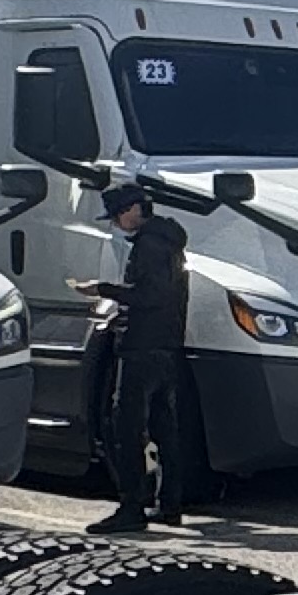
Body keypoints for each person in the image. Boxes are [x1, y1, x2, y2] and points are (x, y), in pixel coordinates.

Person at [82, 176, 194, 534]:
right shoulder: (170, 242)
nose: (117, 223)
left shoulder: (148, 245)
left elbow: (148, 296)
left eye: (118, 215)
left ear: (133, 209)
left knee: (126, 428)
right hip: (167, 347)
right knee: (165, 428)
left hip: (141, 348)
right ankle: (170, 503)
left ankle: (131, 506)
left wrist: (104, 290)